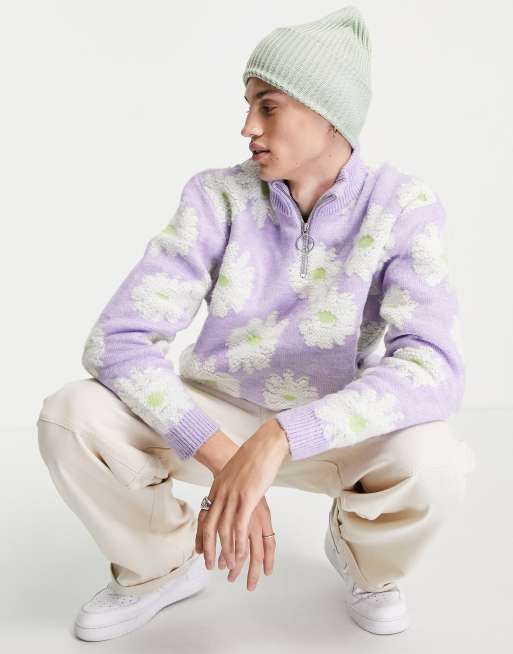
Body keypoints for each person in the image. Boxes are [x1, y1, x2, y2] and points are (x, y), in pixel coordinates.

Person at [37, 5, 476, 642]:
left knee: (434, 463)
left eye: (268, 107)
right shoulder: (216, 197)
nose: (247, 127)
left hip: (330, 428)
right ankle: (158, 565)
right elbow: (117, 342)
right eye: (248, 106)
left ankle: (365, 561)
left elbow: (432, 369)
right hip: (216, 416)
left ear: (328, 112)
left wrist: (279, 438)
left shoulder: (402, 206)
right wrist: (227, 460)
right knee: (69, 416)